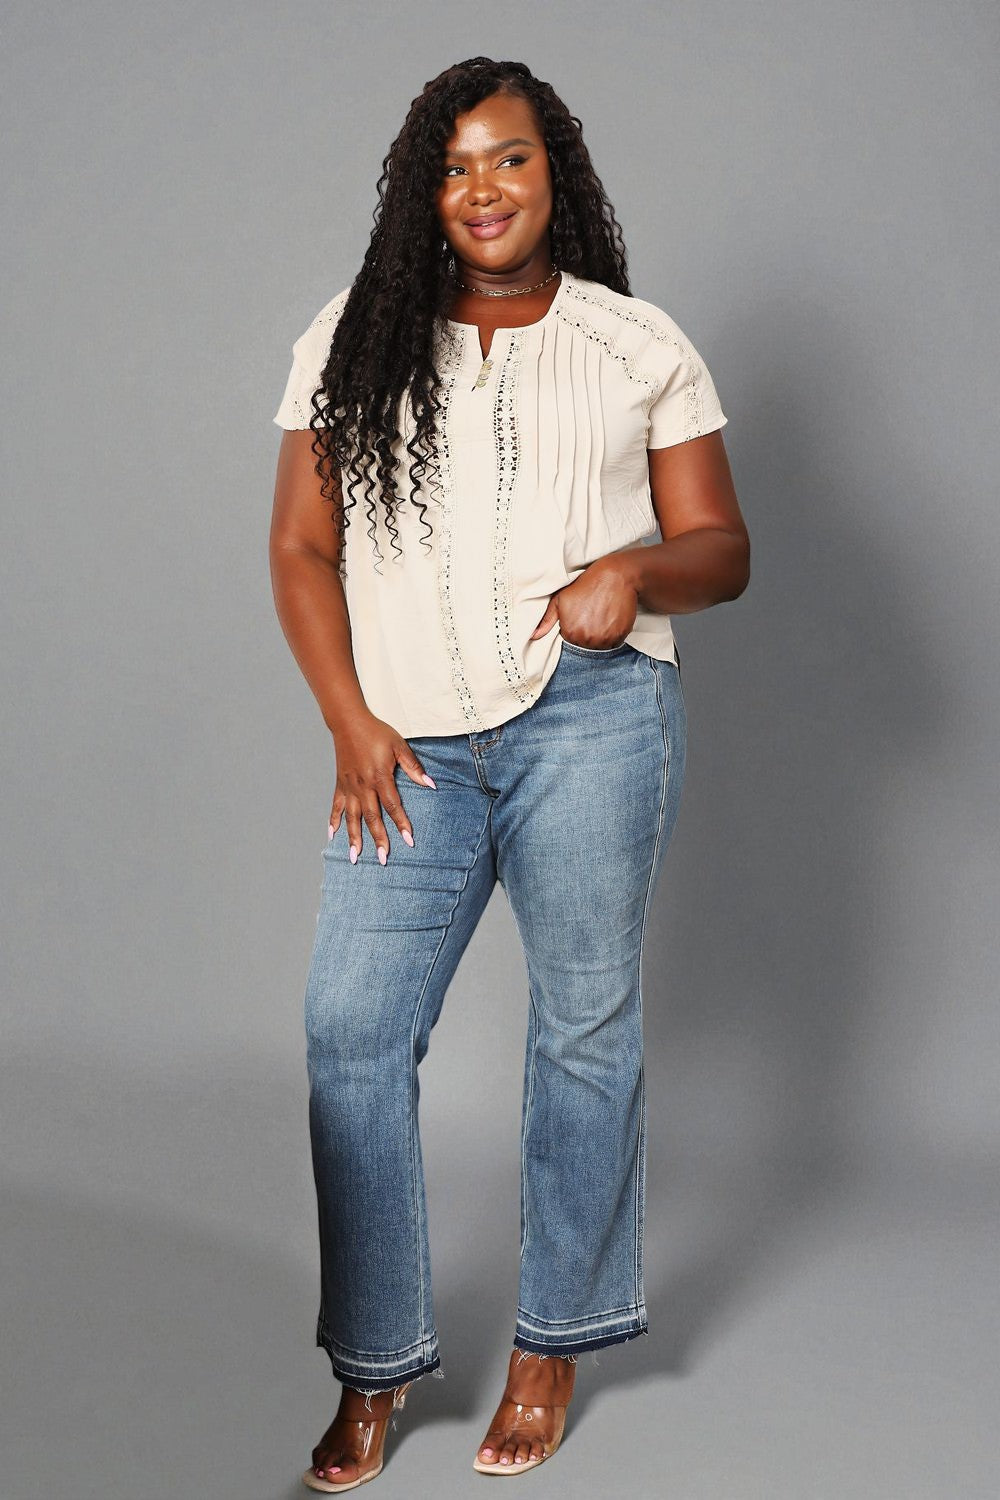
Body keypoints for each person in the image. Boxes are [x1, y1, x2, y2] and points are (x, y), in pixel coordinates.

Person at [269, 57, 749, 1493]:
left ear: (559, 178)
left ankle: (557, 1338)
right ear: (429, 189)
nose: (485, 188)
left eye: (513, 160)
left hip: (591, 720)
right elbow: (301, 549)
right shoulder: (351, 340)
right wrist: (352, 722)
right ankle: (374, 1366)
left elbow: (725, 546)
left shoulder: (634, 344)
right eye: (458, 165)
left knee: (583, 1028)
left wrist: (635, 567)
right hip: (404, 739)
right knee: (351, 1036)